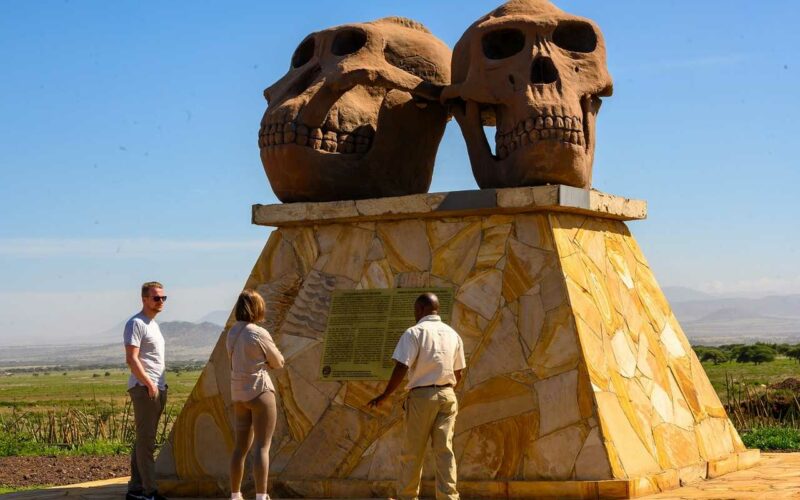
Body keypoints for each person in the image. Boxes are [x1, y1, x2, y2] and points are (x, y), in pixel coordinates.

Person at [368, 292, 465, 500]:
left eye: (415, 310)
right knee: (444, 451)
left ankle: (407, 497)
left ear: (420, 309)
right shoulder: (452, 334)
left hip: (422, 397)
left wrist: (385, 394)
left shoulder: (414, 332)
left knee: (412, 451)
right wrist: (445, 390)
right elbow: (459, 372)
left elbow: (402, 365)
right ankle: (449, 497)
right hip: (448, 395)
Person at [227, 289, 285, 500]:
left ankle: (235, 495)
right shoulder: (258, 332)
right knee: (262, 447)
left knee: (239, 448)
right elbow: (278, 361)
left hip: (238, 393)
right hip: (260, 391)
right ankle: (261, 496)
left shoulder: (232, 332)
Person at [124, 281, 169, 500]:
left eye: (163, 298)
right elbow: (131, 359)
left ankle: (135, 488)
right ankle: (150, 491)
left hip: (157, 387)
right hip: (145, 389)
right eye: (156, 298)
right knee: (147, 442)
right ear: (144, 299)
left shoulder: (153, 325)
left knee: (143, 440)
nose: (160, 301)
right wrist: (149, 384)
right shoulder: (136, 323)